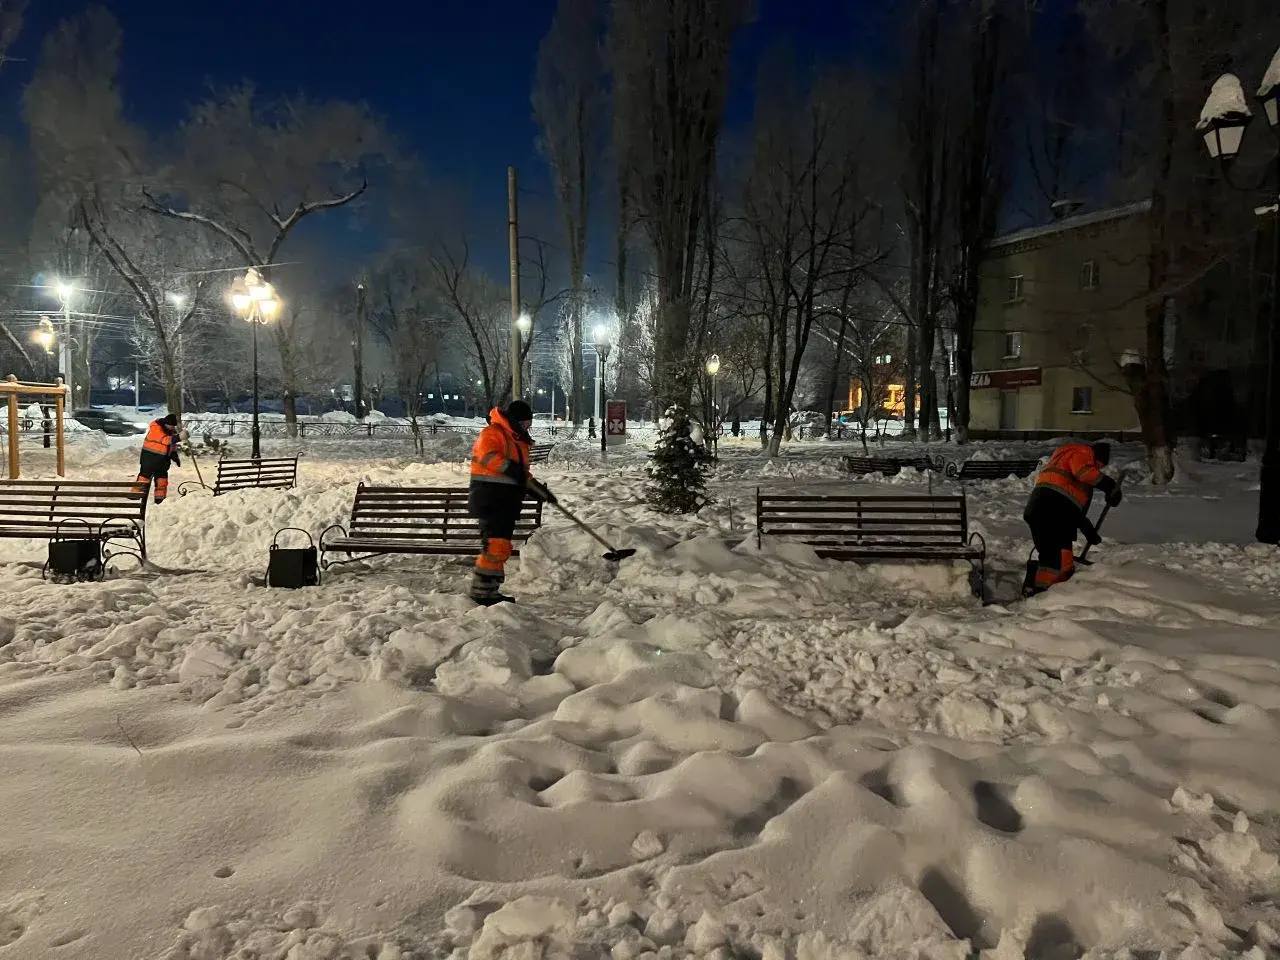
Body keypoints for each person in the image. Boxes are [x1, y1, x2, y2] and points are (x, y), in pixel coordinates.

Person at [468, 400, 555, 605]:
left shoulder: (517, 439)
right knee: (495, 545)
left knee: (501, 546)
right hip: (490, 498)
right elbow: (488, 457)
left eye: (529, 424)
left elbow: (521, 473)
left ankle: (489, 590)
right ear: (515, 420)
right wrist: (513, 470)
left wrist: (536, 489)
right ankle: (481, 592)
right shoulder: (493, 433)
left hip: (505, 501)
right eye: (525, 423)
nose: (528, 427)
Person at [1023, 440, 1122, 596]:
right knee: (1055, 560)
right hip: (1052, 510)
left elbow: (1070, 511)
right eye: (1098, 465)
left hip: (1042, 510)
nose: (1098, 469)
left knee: (1057, 557)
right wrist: (1109, 485)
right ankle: (1046, 595)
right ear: (1095, 456)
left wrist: (1088, 531)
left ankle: (1040, 588)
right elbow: (1084, 473)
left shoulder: (1064, 470)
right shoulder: (1082, 453)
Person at [133, 413, 181, 504]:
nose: (172, 428)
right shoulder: (156, 427)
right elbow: (165, 440)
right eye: (171, 426)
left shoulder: (170, 431)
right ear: (166, 423)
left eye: (173, 426)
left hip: (163, 461)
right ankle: (135, 494)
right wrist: (179, 437)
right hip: (149, 458)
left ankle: (160, 499)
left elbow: (171, 445)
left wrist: (174, 455)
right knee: (144, 477)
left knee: (162, 479)